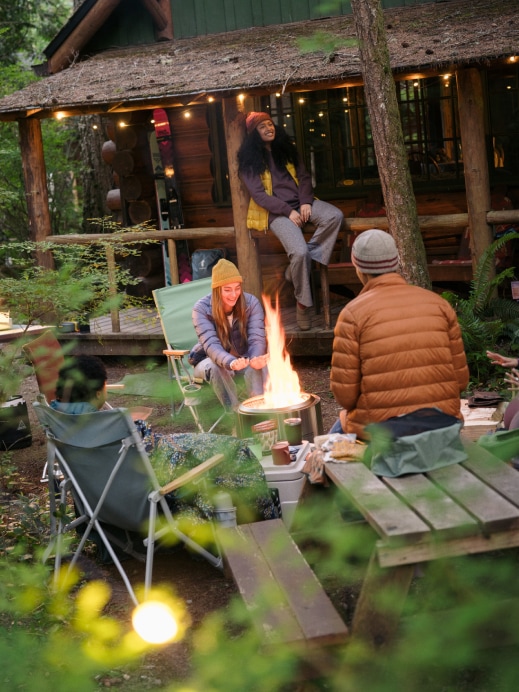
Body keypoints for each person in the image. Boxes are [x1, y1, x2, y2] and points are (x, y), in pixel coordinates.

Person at [51, 355, 279, 525]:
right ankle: (267, 524)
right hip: (151, 493)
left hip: (103, 506)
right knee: (237, 451)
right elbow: (163, 459)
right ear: (100, 392)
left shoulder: (59, 423)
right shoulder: (117, 427)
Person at [329, 228, 469, 440]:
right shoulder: (439, 304)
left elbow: (345, 397)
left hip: (383, 433)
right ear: (396, 263)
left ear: (359, 268)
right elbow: (461, 381)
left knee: (326, 446)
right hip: (443, 424)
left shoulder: (352, 315)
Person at [237, 111, 344, 331]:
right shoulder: (249, 162)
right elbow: (259, 196)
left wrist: (305, 202)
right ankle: (303, 303)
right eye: (262, 126)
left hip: (302, 204)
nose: (269, 128)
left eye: (270, 123)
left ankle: (301, 266)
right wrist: (288, 211)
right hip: (276, 213)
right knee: (299, 252)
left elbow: (304, 177)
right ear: (254, 134)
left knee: (335, 216)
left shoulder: (286, 150)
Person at [191, 258, 268, 412]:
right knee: (217, 366)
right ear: (217, 289)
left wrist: (255, 359)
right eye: (227, 290)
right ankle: (236, 419)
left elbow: (256, 338)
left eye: (237, 288)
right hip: (208, 359)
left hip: (243, 358)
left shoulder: (251, 303)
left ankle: (261, 412)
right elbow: (211, 345)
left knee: (263, 363)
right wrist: (230, 362)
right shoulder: (201, 309)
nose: (234, 295)